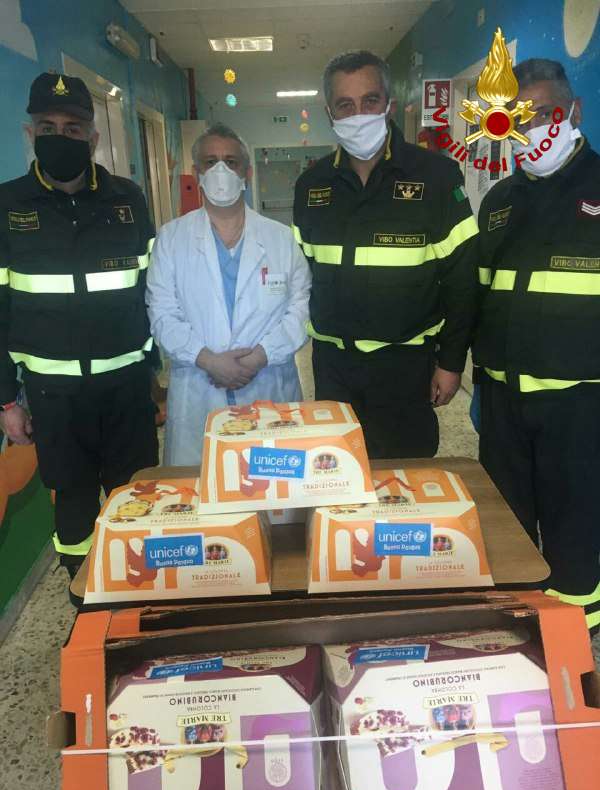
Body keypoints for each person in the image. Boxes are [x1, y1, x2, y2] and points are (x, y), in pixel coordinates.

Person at [0, 73, 158, 579]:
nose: (60, 137)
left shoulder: (127, 199)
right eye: (47, 127)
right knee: (72, 500)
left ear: (93, 137)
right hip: (53, 396)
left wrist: (155, 374)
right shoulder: (7, 206)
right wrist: (7, 402)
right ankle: (83, 592)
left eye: (72, 128)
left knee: (137, 492)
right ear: (30, 134)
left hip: (126, 387)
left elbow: (150, 291)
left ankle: (140, 591)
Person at [293, 50, 479, 458]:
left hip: (405, 365)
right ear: (330, 113)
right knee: (336, 470)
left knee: (405, 476)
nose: (358, 115)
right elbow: (299, 277)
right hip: (333, 366)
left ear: (389, 105)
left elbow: (463, 281)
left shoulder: (435, 176)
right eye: (345, 105)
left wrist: (451, 362)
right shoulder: (311, 186)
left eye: (370, 101)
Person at [473, 58, 600, 634]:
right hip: (504, 395)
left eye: (545, 113)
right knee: (508, 519)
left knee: (575, 518)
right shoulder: (500, 200)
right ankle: (518, 623)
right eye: (518, 120)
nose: (533, 130)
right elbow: (481, 293)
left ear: (574, 111)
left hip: (580, 398)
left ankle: (578, 623)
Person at [146, 123, 311, 465]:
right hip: (200, 388)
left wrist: (261, 356)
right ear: (197, 173)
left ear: (246, 172)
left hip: (268, 383)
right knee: (204, 485)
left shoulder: (280, 238)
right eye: (210, 162)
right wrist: (208, 360)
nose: (220, 171)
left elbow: (302, 307)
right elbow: (161, 313)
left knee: (272, 486)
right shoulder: (171, 239)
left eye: (231, 162)